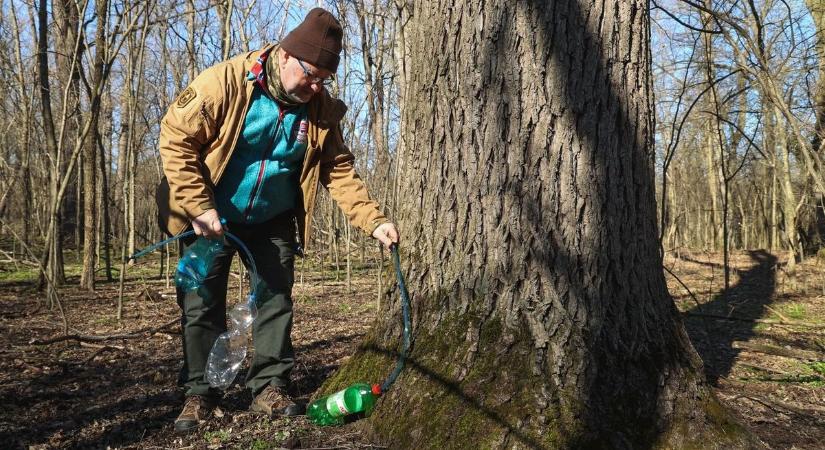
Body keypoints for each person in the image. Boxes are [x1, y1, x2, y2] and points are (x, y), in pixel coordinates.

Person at [156, 8, 399, 433]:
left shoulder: (319, 108)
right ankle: (200, 394)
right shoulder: (225, 83)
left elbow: (337, 168)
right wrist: (199, 206)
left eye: (324, 78)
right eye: (310, 74)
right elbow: (176, 140)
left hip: (273, 218)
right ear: (285, 56)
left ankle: (269, 385)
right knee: (201, 302)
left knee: (274, 299)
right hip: (209, 214)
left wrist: (372, 220)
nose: (316, 85)